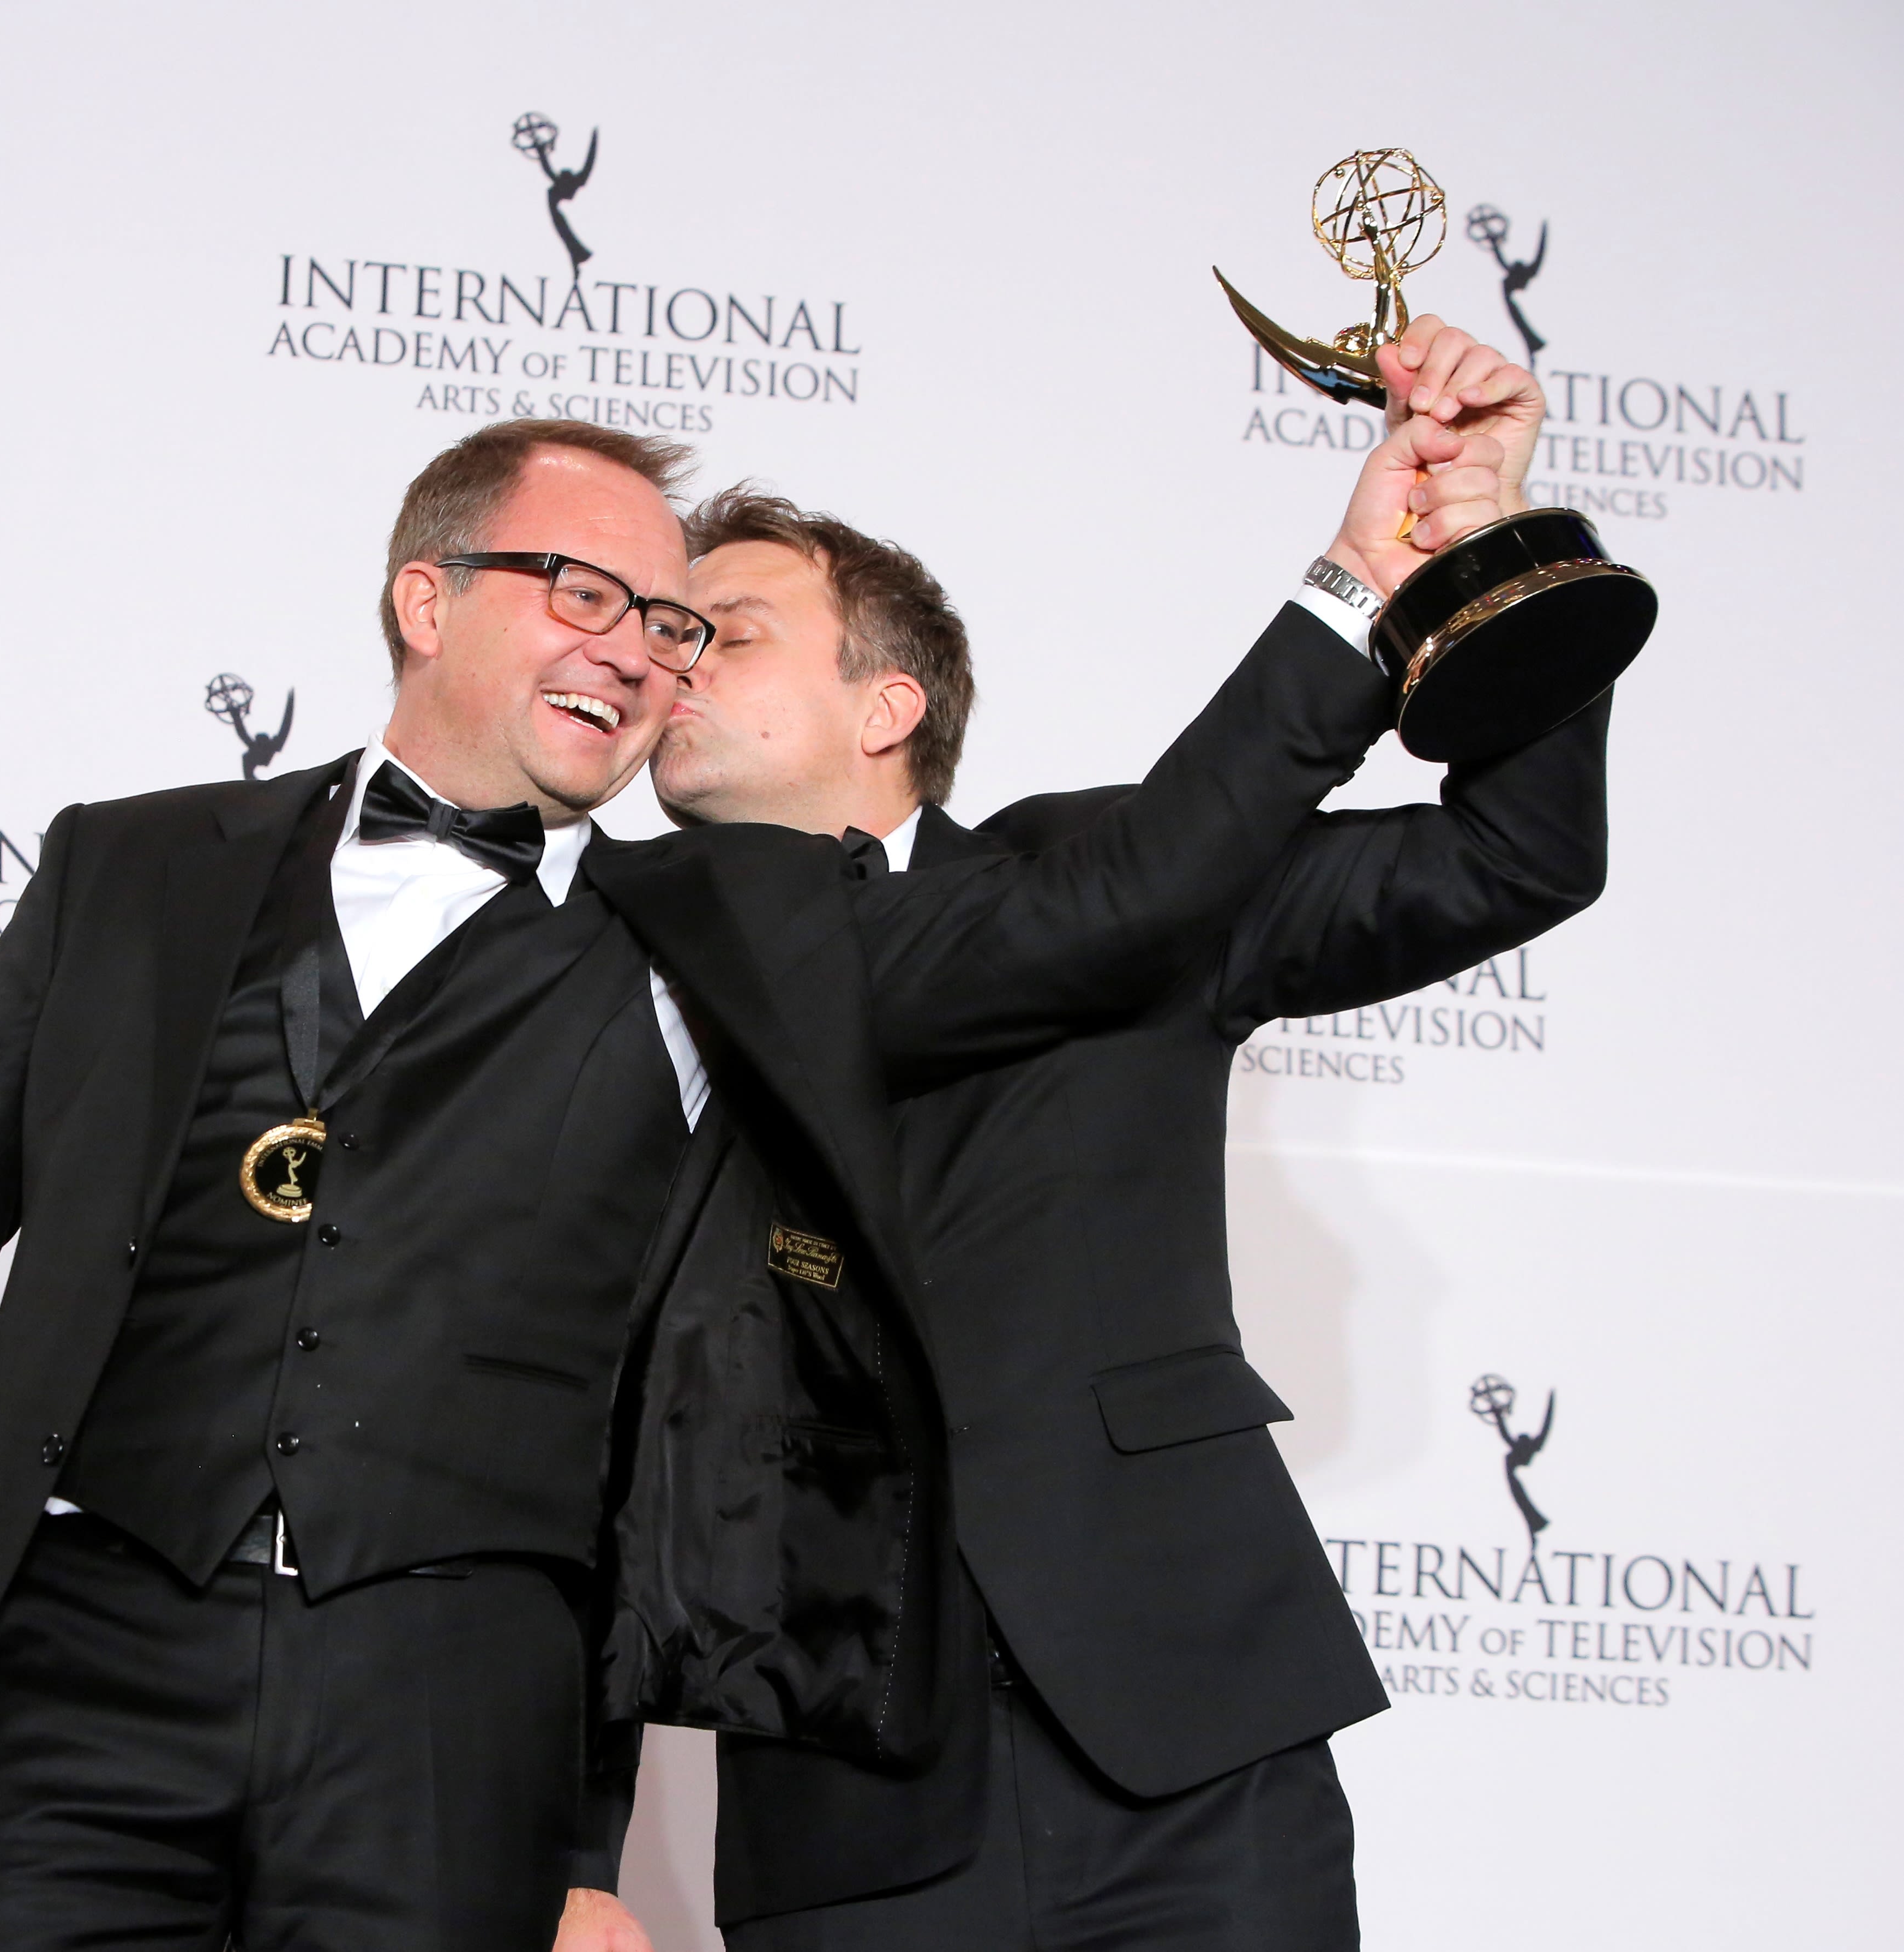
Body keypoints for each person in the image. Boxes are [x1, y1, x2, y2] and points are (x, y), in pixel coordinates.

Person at [0, 409, 1422, 1951]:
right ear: (425, 596)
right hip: (69, 1680)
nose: (636, 649)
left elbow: (649, 1424)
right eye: (585, 592)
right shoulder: (127, 871)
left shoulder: (718, 934)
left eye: (672, 624)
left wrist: (580, 1850)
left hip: (446, 1729)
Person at [561, 320, 1603, 1951]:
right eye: (664, 632)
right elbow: (577, 1435)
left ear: (887, 701)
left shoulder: (1120, 871)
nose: (670, 663)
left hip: (1194, 1752)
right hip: (850, 1820)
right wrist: (578, 1851)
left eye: (727, 631)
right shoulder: (607, 962)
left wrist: (1485, 553)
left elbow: (1512, 857)